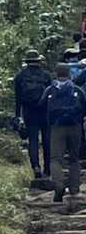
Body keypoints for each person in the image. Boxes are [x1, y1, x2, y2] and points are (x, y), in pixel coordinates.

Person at [41, 64, 86, 204]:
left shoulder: (50, 90)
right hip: (75, 126)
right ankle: (74, 188)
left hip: (56, 127)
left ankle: (59, 185)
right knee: (74, 158)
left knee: (56, 159)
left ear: (56, 74)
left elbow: (41, 105)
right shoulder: (77, 90)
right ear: (69, 74)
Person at [14, 50, 51, 179]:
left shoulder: (20, 76)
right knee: (47, 140)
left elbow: (18, 98)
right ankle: (47, 169)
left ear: (27, 61)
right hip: (45, 111)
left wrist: (17, 115)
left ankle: (36, 167)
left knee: (33, 140)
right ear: (39, 61)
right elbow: (51, 95)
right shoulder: (46, 75)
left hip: (29, 112)